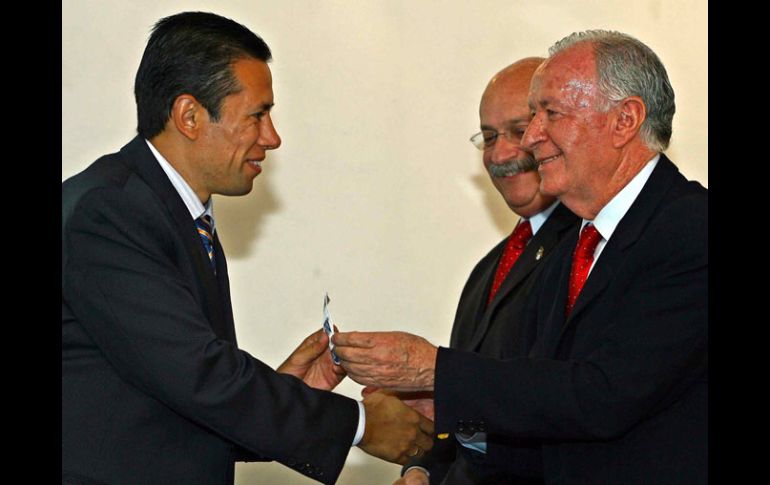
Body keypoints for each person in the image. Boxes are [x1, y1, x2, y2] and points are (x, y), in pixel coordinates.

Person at [62, 11, 432, 485]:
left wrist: (287, 393)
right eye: (257, 115)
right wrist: (358, 425)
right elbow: (201, 376)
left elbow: (168, 399)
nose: (272, 138)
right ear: (190, 116)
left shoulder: (168, 211)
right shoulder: (111, 211)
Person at [334, 29, 707, 484]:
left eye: (550, 114)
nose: (531, 137)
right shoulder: (574, 247)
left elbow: (603, 398)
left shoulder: (691, 230)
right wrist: (451, 420)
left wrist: (435, 369)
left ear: (625, 120)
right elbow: (545, 420)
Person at [395, 58, 579, 485]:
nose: (500, 154)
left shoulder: (587, 256)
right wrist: (422, 467)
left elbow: (561, 410)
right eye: (490, 137)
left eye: (518, 131)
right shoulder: (489, 269)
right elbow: (468, 408)